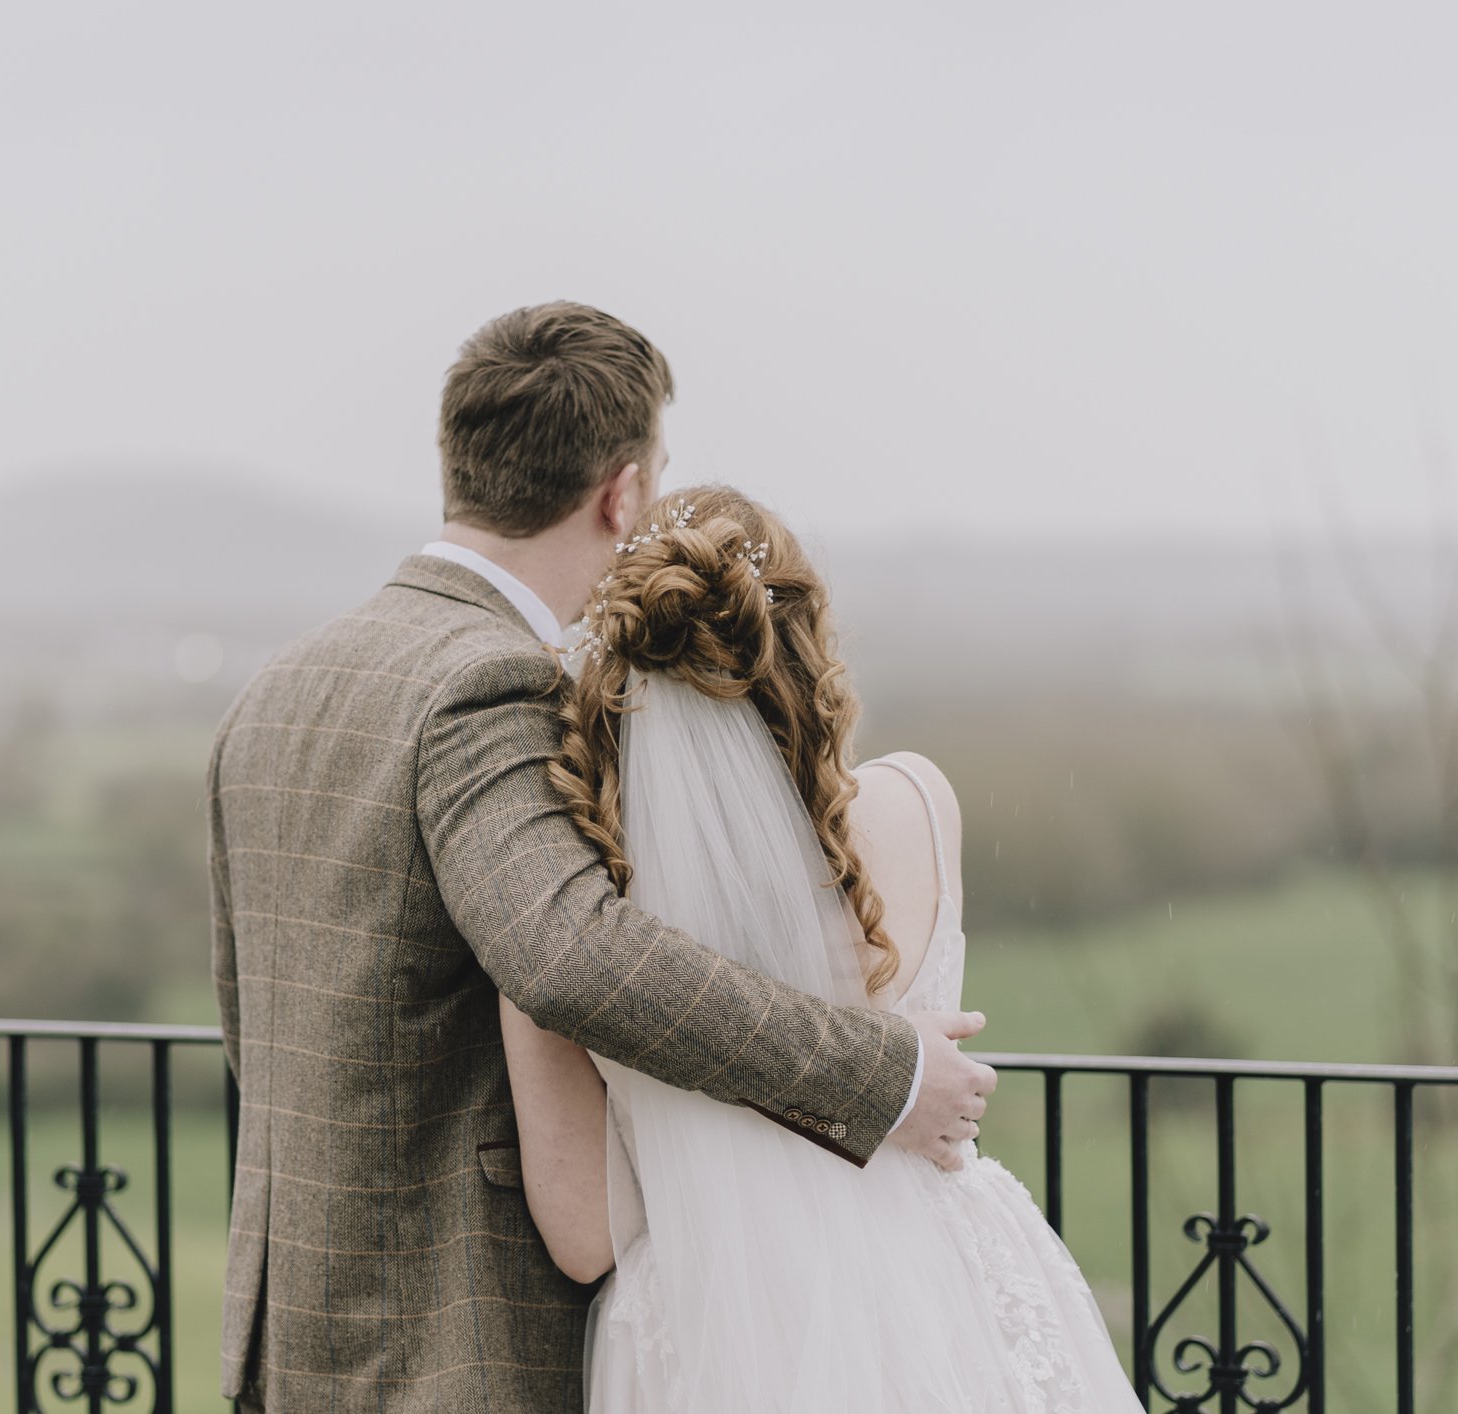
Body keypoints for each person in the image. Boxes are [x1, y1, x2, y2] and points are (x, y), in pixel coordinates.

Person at [207, 302, 997, 1412]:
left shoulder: (275, 693)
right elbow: (574, 955)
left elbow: (256, 1024)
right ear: (622, 491)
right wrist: (881, 1073)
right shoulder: (490, 682)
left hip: (293, 1332)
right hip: (452, 1342)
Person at [500, 484, 1148, 1412]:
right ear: (805, 648)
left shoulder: (575, 909)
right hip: (935, 1289)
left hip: (709, 1323)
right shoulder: (918, 804)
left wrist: (696, 1147)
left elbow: (583, 1236)